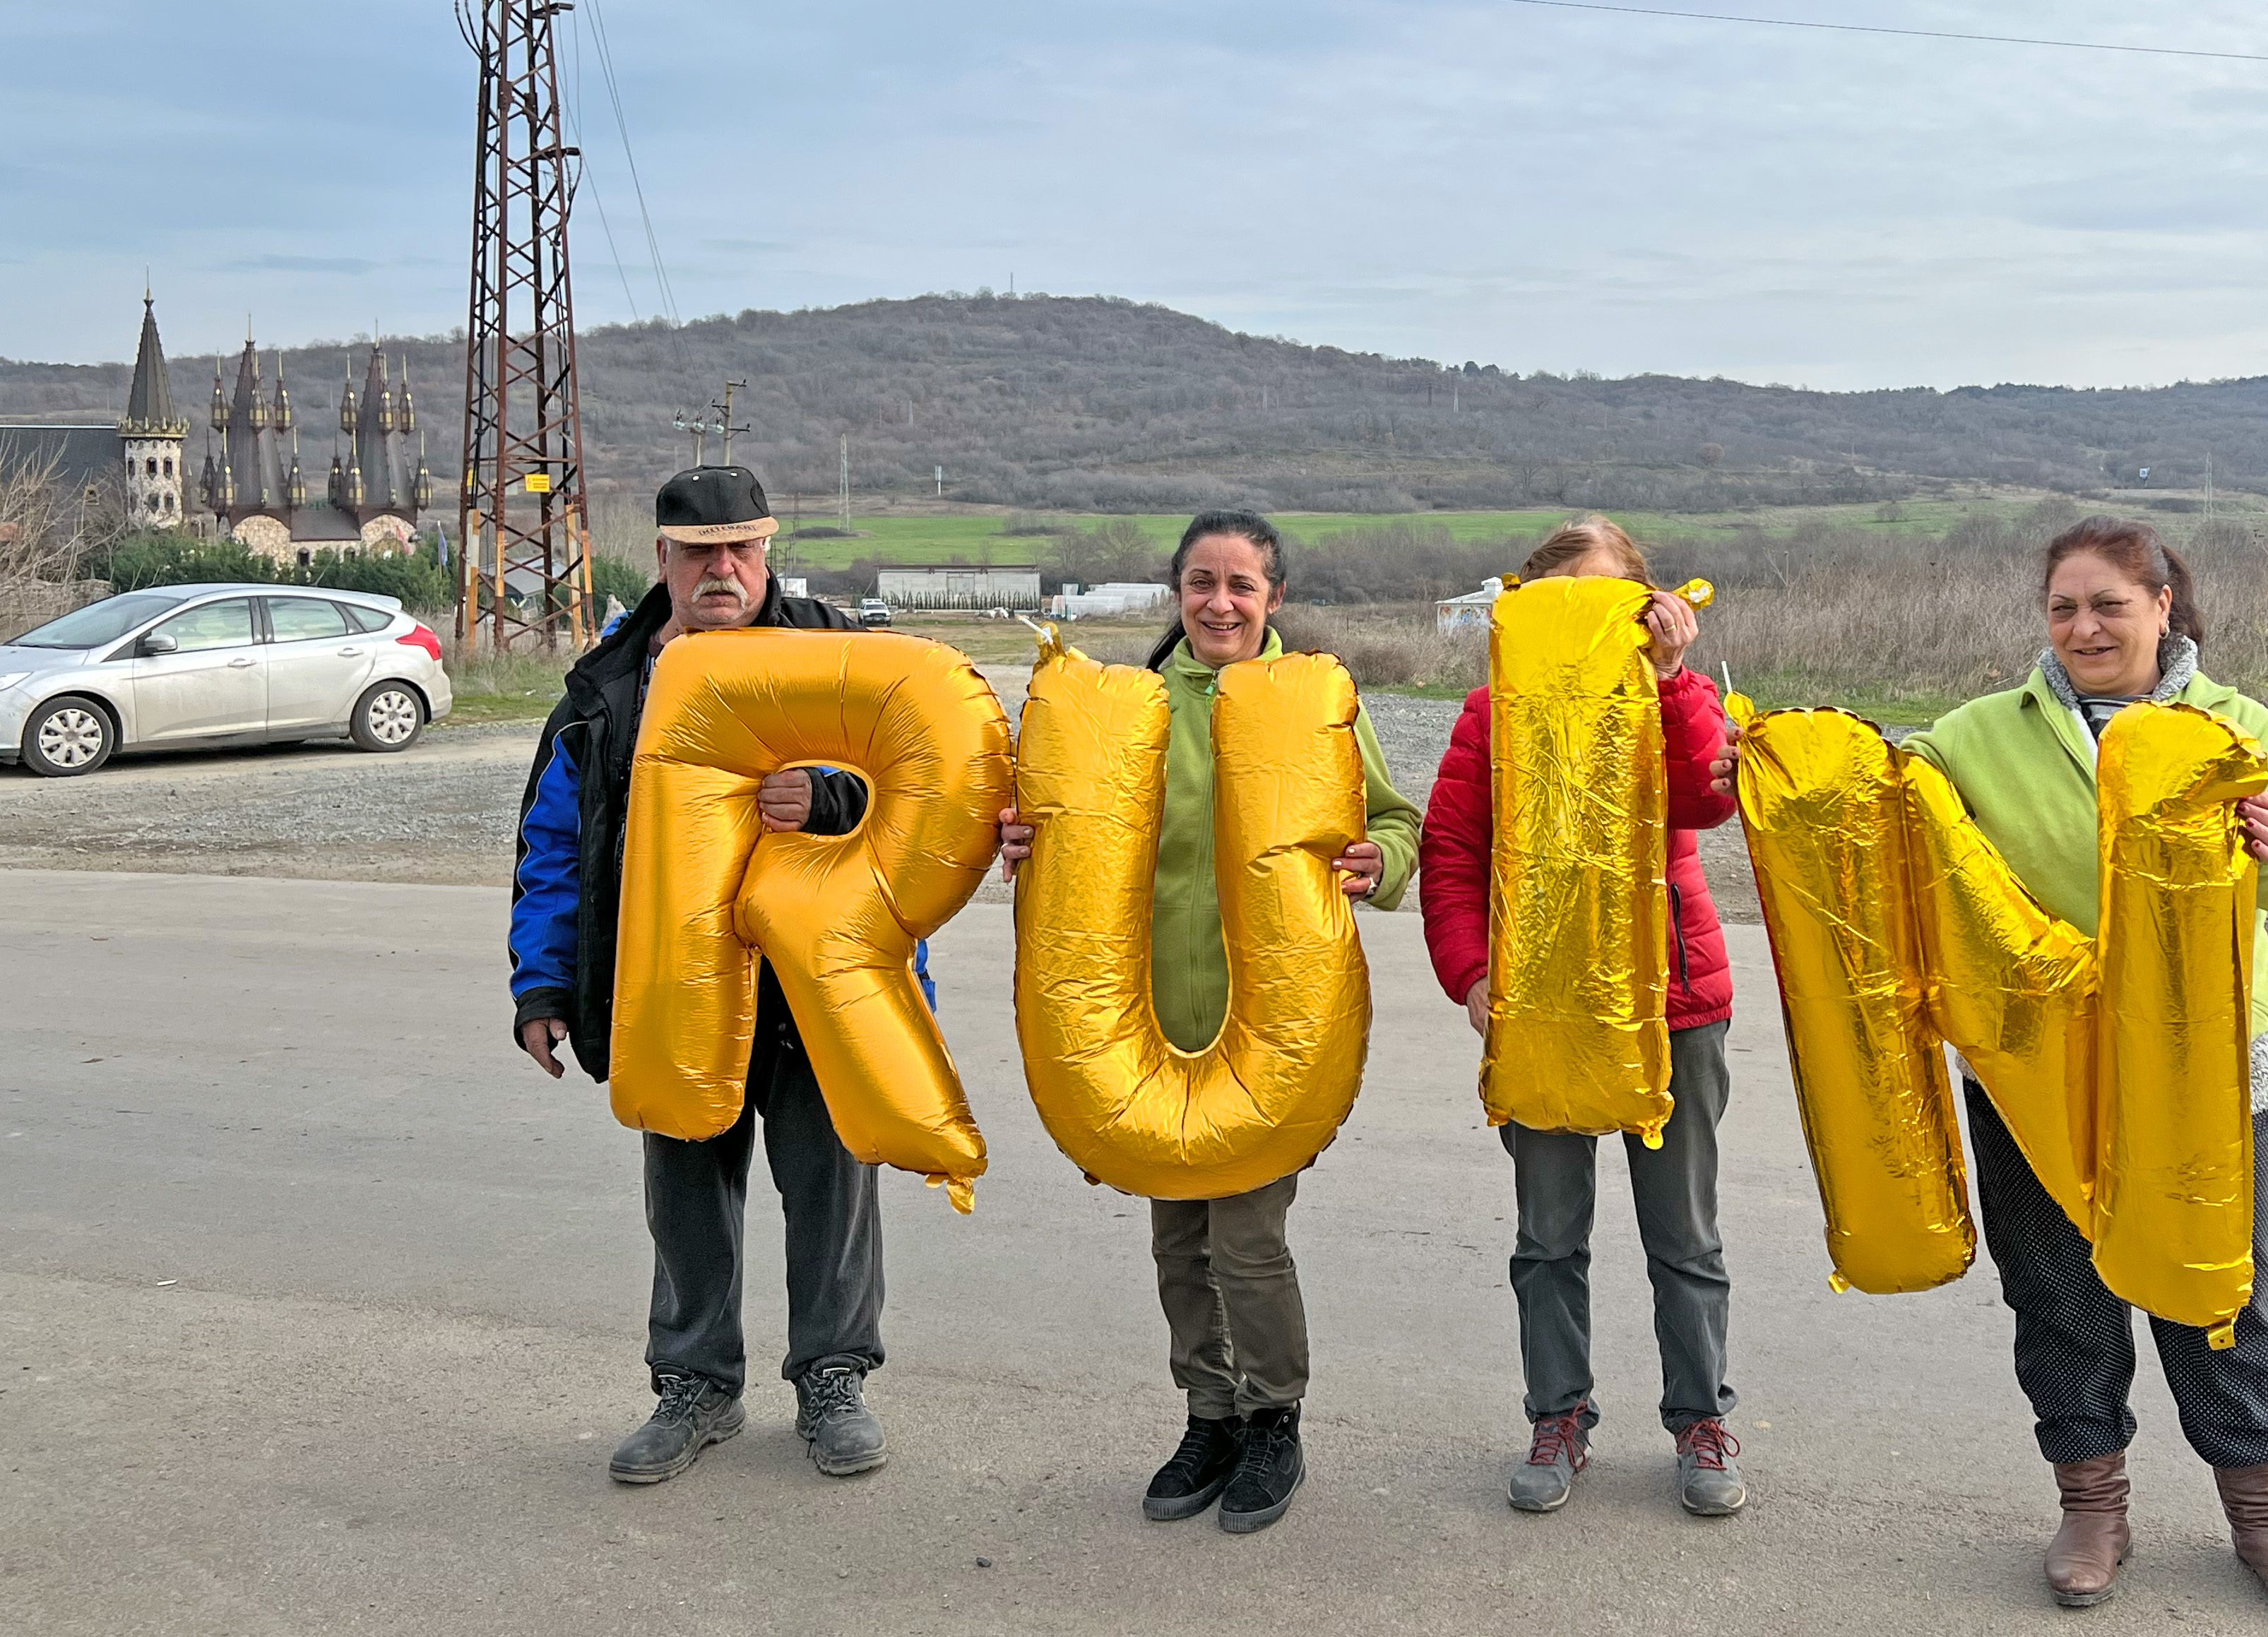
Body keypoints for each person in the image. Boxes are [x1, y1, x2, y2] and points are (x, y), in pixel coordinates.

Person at [1720, 518, 2268, 1622]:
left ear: (2163, 605)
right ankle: (2091, 1503)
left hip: (2204, 1065)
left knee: (2226, 1291)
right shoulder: (1978, 734)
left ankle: (2263, 1515)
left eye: (2108, 603)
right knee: (2059, 1286)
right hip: (2028, 1065)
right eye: (2064, 607)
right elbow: (1883, 814)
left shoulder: (2235, 727)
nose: (2084, 626)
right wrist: (1772, 756)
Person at [996, 512, 1420, 1535]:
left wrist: (1381, 863)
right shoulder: (1129, 706)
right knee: (1177, 1242)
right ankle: (1209, 1413)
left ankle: (1273, 1416)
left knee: (1247, 1241)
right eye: (1201, 582)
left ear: (1274, 598)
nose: (1219, 603)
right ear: (1176, 592)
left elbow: (1395, 822)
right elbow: (1055, 830)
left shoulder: (1310, 704)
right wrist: (1019, 836)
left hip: (1269, 1020)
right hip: (1145, 1011)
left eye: (1241, 585)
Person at [509, 465, 916, 1487]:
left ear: (768, 550)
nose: (722, 569)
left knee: (831, 1189)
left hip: (816, 983)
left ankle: (833, 1378)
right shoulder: (609, 686)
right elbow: (555, 844)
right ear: (663, 559)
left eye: (741, 548)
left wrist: (828, 797)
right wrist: (543, 988)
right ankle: (696, 1386)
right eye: (699, 552)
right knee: (686, 1196)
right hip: (665, 987)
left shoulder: (838, 655)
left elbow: (915, 795)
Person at [1418, 515, 1748, 1519]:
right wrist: (1473, 976)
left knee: (1683, 1236)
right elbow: (1451, 852)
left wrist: (1670, 681)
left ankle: (1701, 1420)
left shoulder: (1669, 697)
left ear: (1644, 608)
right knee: (1548, 1237)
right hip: (1544, 1010)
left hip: (1673, 1000)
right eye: (1563, 603)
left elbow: (1707, 803)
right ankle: (1558, 1415)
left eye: (1609, 602)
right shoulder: (1494, 712)